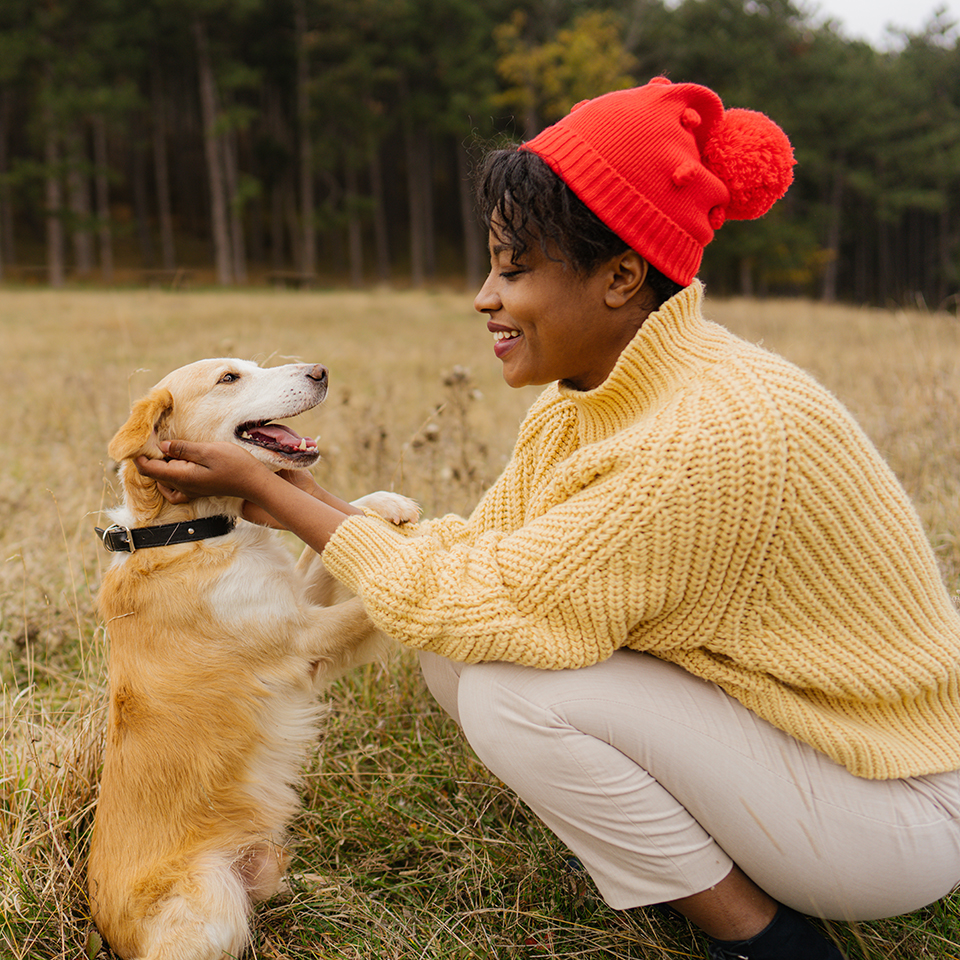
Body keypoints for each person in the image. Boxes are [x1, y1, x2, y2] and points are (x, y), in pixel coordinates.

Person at [137, 78, 960, 960]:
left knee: (511, 693)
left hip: (895, 803)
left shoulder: (701, 436)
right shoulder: (600, 396)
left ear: (621, 276)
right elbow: (483, 567)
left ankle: (765, 937)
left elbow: (476, 601)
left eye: (515, 268)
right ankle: (665, 856)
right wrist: (303, 502)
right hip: (805, 741)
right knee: (461, 654)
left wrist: (268, 496)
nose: (486, 296)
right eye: (492, 265)